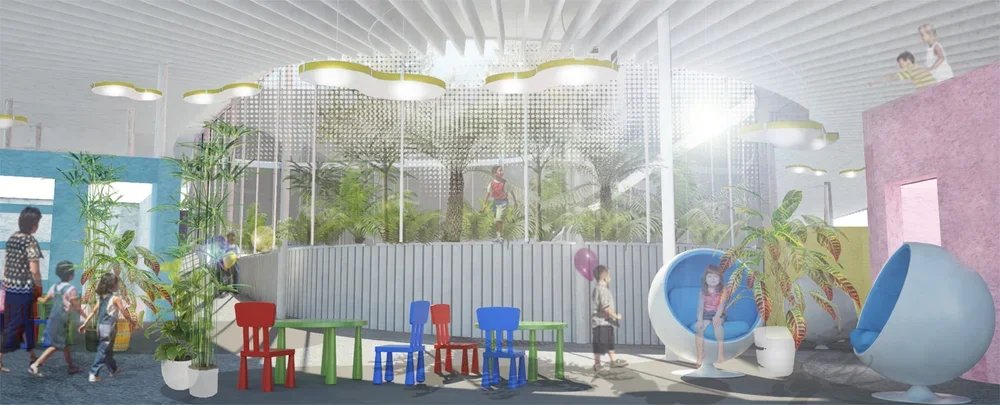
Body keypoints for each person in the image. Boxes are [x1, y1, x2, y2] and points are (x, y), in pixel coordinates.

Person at [1, 207, 44, 372]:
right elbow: (34, 269)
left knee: (24, 322)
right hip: (24, 289)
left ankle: (32, 356)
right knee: (15, 324)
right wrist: (39, 286)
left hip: (10, 287)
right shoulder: (30, 241)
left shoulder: (12, 238)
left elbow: (8, 263)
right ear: (33, 224)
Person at [79, 273, 135, 382]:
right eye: (117, 284)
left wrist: (85, 323)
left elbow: (94, 311)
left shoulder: (101, 297)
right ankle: (94, 373)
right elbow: (123, 311)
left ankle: (113, 369)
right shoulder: (115, 298)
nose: (118, 285)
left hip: (100, 327)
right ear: (112, 285)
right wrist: (131, 321)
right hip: (108, 327)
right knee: (103, 350)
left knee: (108, 350)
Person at [29, 261, 82, 376]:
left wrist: (35, 297)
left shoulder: (55, 286)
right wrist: (87, 318)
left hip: (53, 319)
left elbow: (44, 300)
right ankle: (36, 364)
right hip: (62, 320)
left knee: (66, 345)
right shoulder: (71, 289)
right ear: (71, 275)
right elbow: (77, 307)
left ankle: (71, 366)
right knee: (56, 346)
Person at [591, 265, 627, 373]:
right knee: (600, 343)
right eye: (609, 276)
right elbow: (605, 307)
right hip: (601, 322)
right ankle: (597, 364)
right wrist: (616, 316)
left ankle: (613, 360)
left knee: (609, 342)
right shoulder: (602, 290)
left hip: (605, 322)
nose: (610, 278)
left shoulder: (599, 289)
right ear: (604, 277)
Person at [695, 264, 730, 367]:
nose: (712, 279)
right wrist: (700, 320)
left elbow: (721, 305)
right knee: (699, 328)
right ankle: (700, 354)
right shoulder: (702, 291)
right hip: (706, 314)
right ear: (705, 279)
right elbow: (700, 308)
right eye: (709, 276)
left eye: (715, 277)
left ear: (720, 279)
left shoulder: (723, 290)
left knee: (717, 326)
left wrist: (717, 317)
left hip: (719, 313)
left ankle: (720, 354)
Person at [483, 166, 516, 243]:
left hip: (503, 202)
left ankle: (500, 236)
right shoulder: (491, 183)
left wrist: (515, 201)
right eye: (500, 171)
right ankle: (499, 236)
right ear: (495, 173)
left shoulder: (505, 182)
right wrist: (484, 205)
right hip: (495, 202)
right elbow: (487, 194)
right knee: (497, 220)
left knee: (499, 219)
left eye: (502, 171)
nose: (502, 172)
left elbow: (511, 192)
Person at [870, 51, 937, 89]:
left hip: (928, 93)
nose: (900, 66)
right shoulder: (920, 67)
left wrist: (876, 81)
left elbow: (892, 77)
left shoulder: (910, 70)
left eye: (900, 63)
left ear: (907, 61)